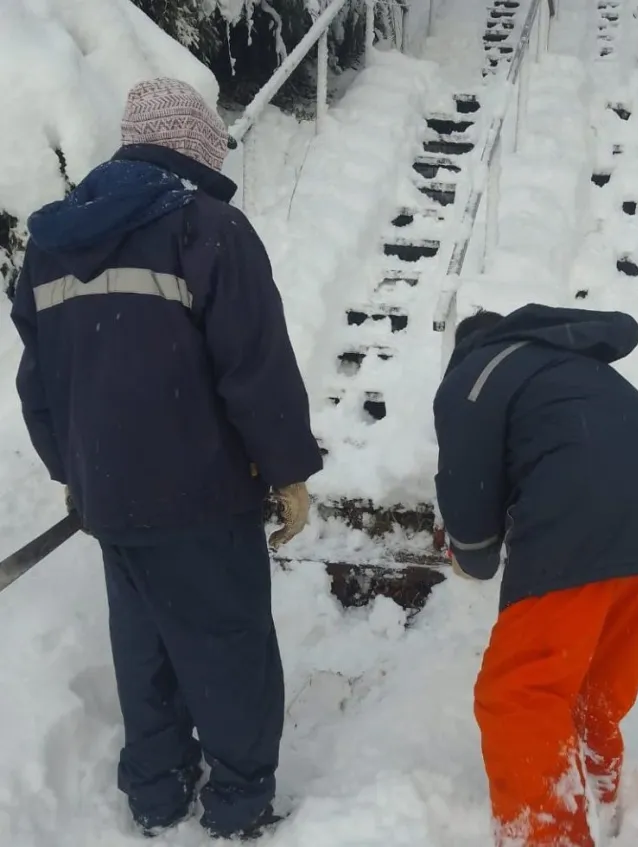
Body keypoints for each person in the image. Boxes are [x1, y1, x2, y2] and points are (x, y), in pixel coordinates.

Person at [9, 78, 324, 840]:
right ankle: (240, 802)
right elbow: (254, 366)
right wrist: (288, 471)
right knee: (228, 648)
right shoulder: (206, 230)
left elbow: (37, 386)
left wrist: (73, 473)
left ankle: (156, 792)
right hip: (203, 495)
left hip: (109, 502)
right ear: (194, 149)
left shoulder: (51, 248)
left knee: (144, 645)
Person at [433, 304, 638, 847]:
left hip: (583, 516)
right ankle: (610, 804)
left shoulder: (477, 371)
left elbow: (469, 497)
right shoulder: (567, 365)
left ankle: (547, 837)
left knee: (519, 697)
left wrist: (472, 553)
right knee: (591, 696)